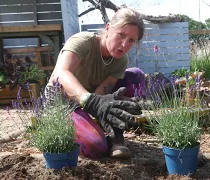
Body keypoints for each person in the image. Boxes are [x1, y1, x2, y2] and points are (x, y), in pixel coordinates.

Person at [45, 8, 146, 159]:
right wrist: (90, 100)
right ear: (108, 28)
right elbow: (61, 73)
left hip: (85, 105)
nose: (124, 45)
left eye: (132, 40)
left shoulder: (120, 60)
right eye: (121, 35)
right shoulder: (83, 42)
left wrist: (109, 105)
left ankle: (116, 137)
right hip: (61, 105)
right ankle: (63, 128)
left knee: (135, 76)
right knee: (95, 147)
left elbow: (102, 93)